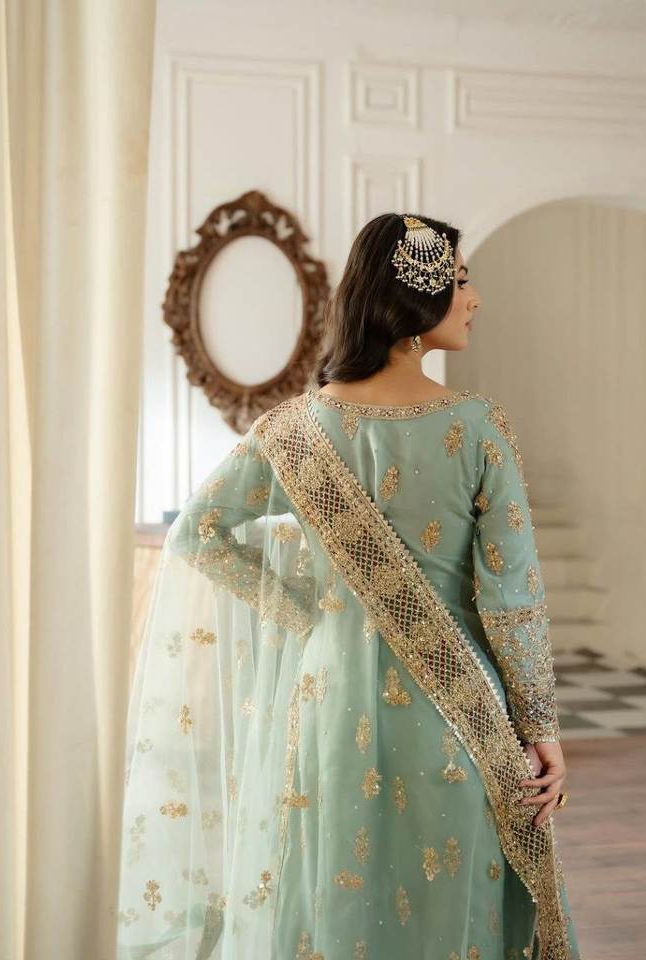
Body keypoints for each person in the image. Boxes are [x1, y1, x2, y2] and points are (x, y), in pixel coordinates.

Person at [116, 213, 583, 959]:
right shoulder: (478, 426)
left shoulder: (293, 430)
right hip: (456, 710)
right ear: (417, 295)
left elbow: (196, 532)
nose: (475, 298)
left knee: (338, 903)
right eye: (461, 280)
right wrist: (542, 730)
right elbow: (512, 599)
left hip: (328, 701)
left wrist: (308, 611)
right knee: (448, 909)